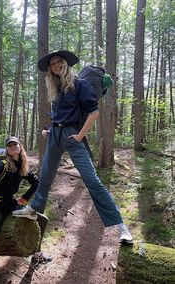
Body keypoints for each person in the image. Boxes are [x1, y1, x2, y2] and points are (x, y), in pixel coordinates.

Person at [12, 50, 133, 245]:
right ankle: (34, 210)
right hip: (55, 136)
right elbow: (59, 115)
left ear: (66, 63)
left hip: (72, 137)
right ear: (50, 70)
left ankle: (121, 226)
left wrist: (80, 136)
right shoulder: (57, 88)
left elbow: (93, 113)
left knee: (92, 181)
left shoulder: (80, 84)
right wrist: (49, 130)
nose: (56, 66)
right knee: (45, 177)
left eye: (59, 62)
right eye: (52, 64)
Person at [0, 136, 49, 284]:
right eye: (10, 145)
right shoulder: (0, 166)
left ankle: (37, 253)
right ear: (7, 149)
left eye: (16, 144)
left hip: (13, 206)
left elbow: (36, 182)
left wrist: (25, 199)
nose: (13, 146)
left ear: (20, 147)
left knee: (43, 220)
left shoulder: (22, 166)